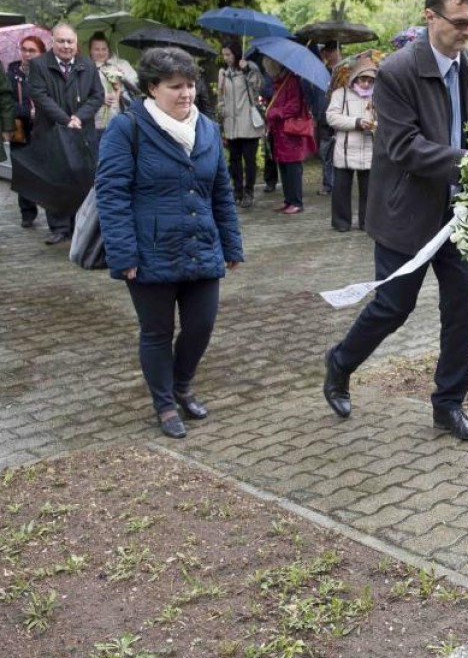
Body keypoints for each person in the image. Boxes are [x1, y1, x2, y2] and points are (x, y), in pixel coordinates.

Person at [323, 0, 468, 441]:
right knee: (394, 307)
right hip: (407, 212)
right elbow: (403, 146)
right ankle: (340, 362)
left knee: (463, 308)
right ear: (430, 17)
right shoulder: (397, 71)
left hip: (458, 213)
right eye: (460, 22)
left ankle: (448, 405)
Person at [94, 47, 244, 439]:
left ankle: (182, 384)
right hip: (150, 251)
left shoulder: (207, 128)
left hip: (201, 244)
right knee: (157, 332)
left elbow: (221, 192)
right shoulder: (128, 128)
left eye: (191, 85)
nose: (186, 94)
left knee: (201, 326)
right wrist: (123, 252)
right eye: (176, 86)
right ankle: (164, 403)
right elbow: (112, 194)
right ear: (151, 88)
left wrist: (232, 245)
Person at [28, 22, 105, 244]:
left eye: (70, 41)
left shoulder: (87, 65)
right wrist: (65, 120)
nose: (66, 45)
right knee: (55, 179)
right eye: (61, 41)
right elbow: (40, 96)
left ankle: (79, 225)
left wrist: (79, 117)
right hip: (51, 131)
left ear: (76, 43)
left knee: (81, 178)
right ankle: (59, 227)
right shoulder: (39, 65)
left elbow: (97, 96)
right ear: (53, 42)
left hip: (82, 132)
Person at [325, 55, 377, 231]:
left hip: (369, 149)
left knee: (369, 191)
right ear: (355, 77)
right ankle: (341, 222)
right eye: (363, 79)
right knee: (341, 190)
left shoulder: (378, 95)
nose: (366, 84)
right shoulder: (340, 94)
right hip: (345, 149)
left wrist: (375, 124)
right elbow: (331, 117)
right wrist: (356, 122)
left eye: (370, 80)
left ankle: (367, 222)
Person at [262, 57, 315, 215]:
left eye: (269, 69)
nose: (268, 73)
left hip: (290, 133)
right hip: (279, 133)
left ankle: (297, 202)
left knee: (293, 169)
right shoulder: (280, 81)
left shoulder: (291, 81)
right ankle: (288, 200)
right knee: (284, 167)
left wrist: (274, 112)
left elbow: (294, 106)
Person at [217, 41, 265, 207]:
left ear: (236, 53)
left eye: (228, 54)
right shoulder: (223, 73)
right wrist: (222, 117)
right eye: (224, 55)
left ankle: (249, 192)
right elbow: (221, 99)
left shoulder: (249, 68)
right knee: (234, 160)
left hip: (248, 123)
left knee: (249, 160)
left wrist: (246, 70)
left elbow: (259, 86)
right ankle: (237, 191)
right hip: (231, 124)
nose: (226, 58)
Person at [6, 36, 45, 227]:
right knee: (22, 170)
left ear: (41, 53)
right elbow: (7, 104)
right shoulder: (12, 75)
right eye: (24, 49)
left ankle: (51, 207)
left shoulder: (45, 74)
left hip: (43, 129)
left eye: (32, 50)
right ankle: (27, 212)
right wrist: (26, 111)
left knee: (44, 169)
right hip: (20, 128)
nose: (27, 54)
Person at [88, 32, 138, 131]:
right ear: (90, 51)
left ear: (109, 49)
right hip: (99, 122)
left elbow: (137, 86)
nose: (101, 52)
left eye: (104, 49)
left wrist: (123, 76)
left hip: (125, 118)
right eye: (96, 49)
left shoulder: (121, 63)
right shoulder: (86, 69)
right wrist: (99, 99)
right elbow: (81, 95)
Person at [314, 41, 340, 196]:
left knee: (339, 152)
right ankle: (328, 183)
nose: (328, 55)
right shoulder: (321, 72)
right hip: (324, 116)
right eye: (326, 52)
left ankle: (337, 183)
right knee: (325, 153)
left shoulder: (344, 72)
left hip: (340, 116)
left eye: (331, 51)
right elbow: (317, 95)